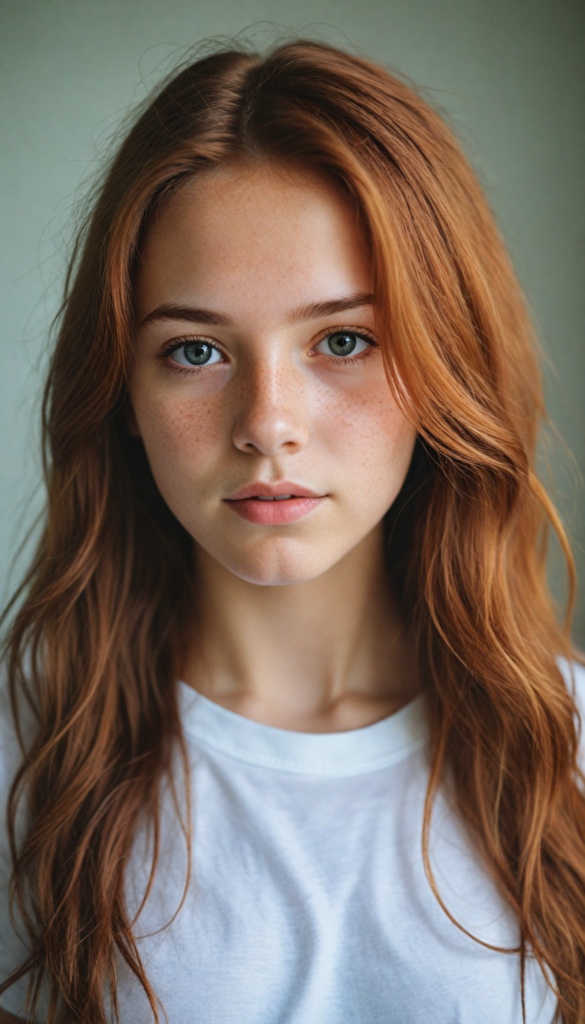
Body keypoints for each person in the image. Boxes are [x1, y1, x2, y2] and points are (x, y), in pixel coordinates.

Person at [0, 38, 584, 1024]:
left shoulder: (566, 744)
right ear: (123, 393)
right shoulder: (25, 757)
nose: (268, 423)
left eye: (343, 340)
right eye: (195, 350)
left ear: (446, 364)